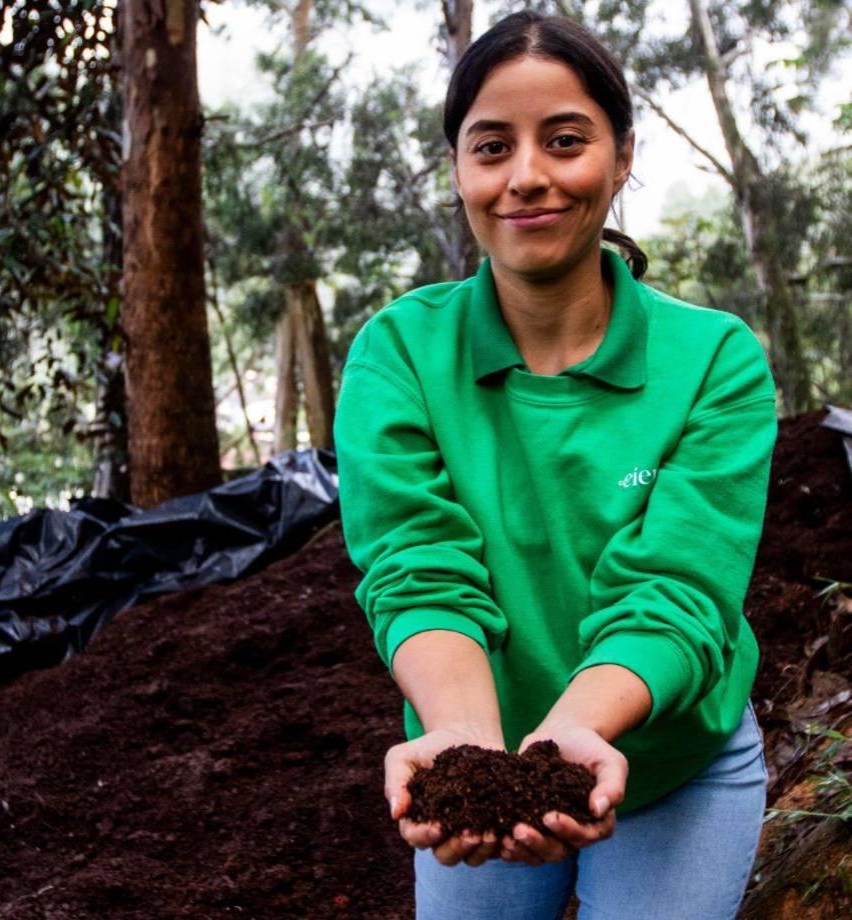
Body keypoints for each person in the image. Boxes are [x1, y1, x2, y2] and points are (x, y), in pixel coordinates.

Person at [332, 10, 778, 920]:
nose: (527, 176)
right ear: (457, 167)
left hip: (674, 764)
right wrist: (465, 743)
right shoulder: (400, 354)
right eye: (491, 146)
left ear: (620, 159)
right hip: (478, 755)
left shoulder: (715, 361)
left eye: (565, 141)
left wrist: (576, 730)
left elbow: (681, 589)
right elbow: (418, 571)